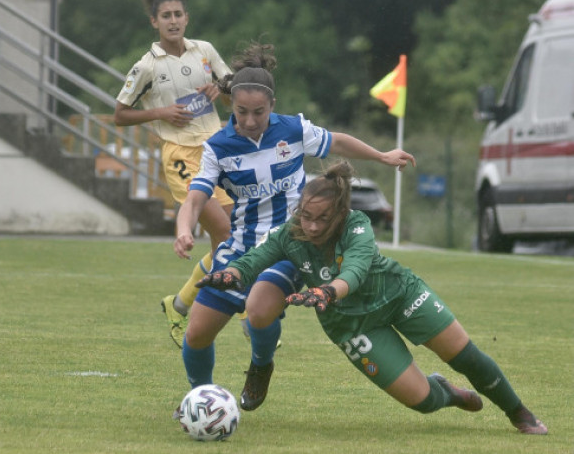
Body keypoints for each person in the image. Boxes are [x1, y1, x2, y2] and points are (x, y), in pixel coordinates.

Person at [198, 160, 548, 435]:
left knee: (464, 355)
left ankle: (519, 412)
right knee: (422, 401)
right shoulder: (291, 233)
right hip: (350, 325)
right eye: (306, 216)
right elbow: (255, 259)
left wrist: (328, 290)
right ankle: (447, 392)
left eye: (322, 218)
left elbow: (356, 269)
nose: (313, 226)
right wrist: (232, 274)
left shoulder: (357, 225)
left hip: (397, 294)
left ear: (340, 213)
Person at [173, 41, 416, 412]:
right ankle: (200, 399)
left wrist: (382, 156)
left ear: (272, 105)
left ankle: (260, 364)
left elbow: (338, 142)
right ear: (231, 106)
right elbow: (196, 196)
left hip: (290, 246)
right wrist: (185, 228)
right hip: (240, 248)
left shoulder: (293, 129)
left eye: (259, 112)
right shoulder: (218, 147)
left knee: (258, 310)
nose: (251, 120)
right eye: (242, 112)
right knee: (197, 334)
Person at [114, 0, 238, 348]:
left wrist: (220, 87)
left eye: (177, 14)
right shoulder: (146, 67)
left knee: (232, 240)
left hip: (218, 152)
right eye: (165, 15)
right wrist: (160, 113)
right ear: (154, 22)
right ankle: (246, 315)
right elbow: (120, 114)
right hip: (180, 157)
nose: (172, 20)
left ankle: (178, 304)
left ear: (187, 18)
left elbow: (235, 93)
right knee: (228, 236)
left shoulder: (205, 51)